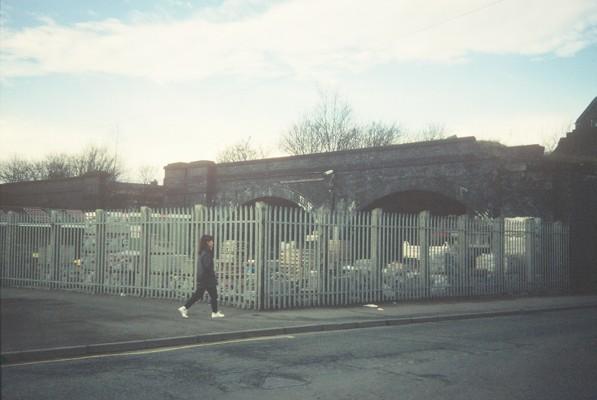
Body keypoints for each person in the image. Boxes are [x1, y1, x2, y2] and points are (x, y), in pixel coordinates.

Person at [178, 234, 225, 319]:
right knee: (211, 295)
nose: (213, 243)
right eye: (211, 241)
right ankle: (213, 313)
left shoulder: (203, 252)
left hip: (204, 277)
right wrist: (213, 274)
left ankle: (185, 308)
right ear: (207, 242)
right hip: (207, 278)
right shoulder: (207, 253)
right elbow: (207, 266)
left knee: (201, 295)